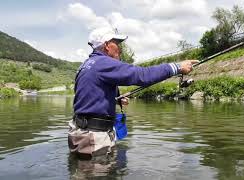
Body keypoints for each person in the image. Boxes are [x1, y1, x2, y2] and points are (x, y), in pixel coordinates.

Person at [68, 27, 199, 157]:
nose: (120, 48)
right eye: (117, 44)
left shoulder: (87, 65)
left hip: (84, 131)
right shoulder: (103, 63)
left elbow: (90, 94)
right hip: (93, 136)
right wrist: (177, 67)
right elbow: (143, 75)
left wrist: (116, 98)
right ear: (107, 45)